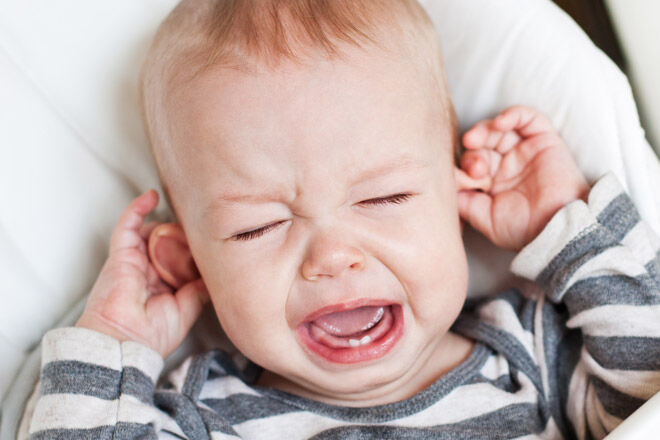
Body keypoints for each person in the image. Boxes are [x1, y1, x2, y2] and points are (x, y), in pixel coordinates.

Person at [23, 0, 660, 438]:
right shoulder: (199, 415)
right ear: (190, 262)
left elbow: (649, 388)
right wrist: (112, 343)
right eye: (258, 227)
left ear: (457, 188)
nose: (331, 257)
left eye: (384, 199)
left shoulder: (532, 361)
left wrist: (562, 225)